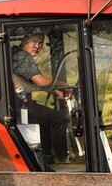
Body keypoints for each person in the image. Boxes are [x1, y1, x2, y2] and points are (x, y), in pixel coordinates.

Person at [11, 31, 72, 164]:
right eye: (34, 42)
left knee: (45, 120)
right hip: (19, 108)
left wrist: (56, 91)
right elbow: (40, 81)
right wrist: (63, 85)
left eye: (40, 43)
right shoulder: (21, 56)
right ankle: (62, 158)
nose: (37, 46)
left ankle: (47, 157)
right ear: (24, 41)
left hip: (16, 105)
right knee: (59, 118)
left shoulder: (15, 54)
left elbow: (31, 82)